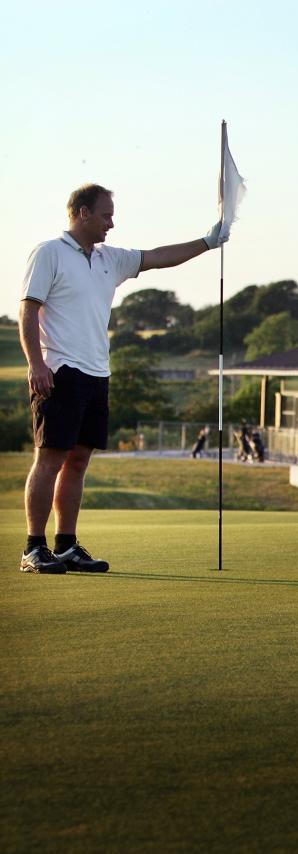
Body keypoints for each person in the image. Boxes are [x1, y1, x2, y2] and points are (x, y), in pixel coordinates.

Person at [19, 184, 227, 574]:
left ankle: (65, 545)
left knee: (78, 461)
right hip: (60, 370)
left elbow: (158, 258)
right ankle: (34, 547)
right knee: (50, 459)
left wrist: (208, 241)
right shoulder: (49, 252)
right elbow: (28, 311)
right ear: (82, 213)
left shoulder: (108, 259)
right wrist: (36, 364)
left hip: (98, 373)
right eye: (105, 215)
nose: (111, 223)